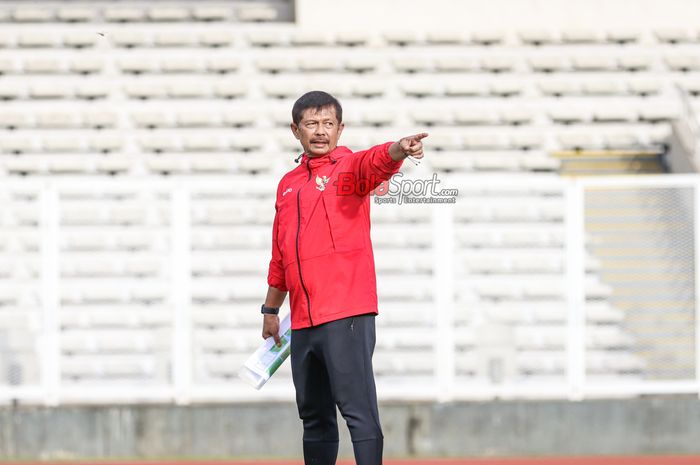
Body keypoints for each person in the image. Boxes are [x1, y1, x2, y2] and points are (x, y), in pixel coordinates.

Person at [259, 90, 428, 465]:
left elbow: (376, 162)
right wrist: (270, 310)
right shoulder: (287, 184)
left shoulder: (348, 169)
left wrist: (399, 148)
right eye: (311, 124)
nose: (320, 132)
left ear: (340, 128)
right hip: (302, 322)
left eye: (328, 124)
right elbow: (280, 255)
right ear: (295, 130)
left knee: (358, 413)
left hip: (346, 314)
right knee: (314, 419)